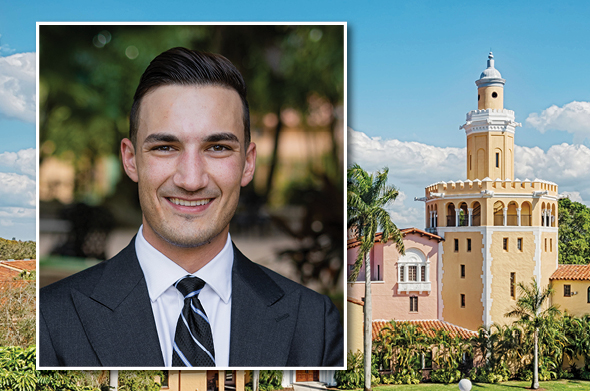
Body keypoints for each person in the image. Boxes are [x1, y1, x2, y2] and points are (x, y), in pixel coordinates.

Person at [39, 47, 344, 368]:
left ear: (248, 163)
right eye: (166, 147)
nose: (191, 179)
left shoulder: (314, 323)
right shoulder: (51, 318)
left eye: (217, 147)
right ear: (130, 160)